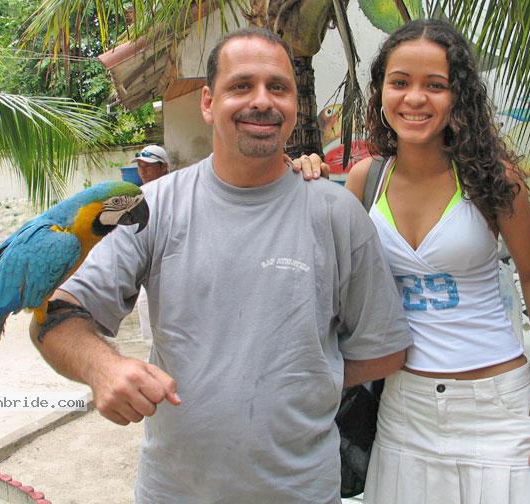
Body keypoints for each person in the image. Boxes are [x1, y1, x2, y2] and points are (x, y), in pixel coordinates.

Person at [30, 27, 413, 504]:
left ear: (295, 106)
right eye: (241, 85)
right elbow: (56, 316)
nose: (262, 100)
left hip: (302, 492)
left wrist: (303, 378)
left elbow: (383, 349)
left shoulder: (337, 214)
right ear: (208, 103)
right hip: (175, 493)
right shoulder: (151, 207)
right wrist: (103, 368)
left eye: (278, 87)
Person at [294, 19, 530, 503]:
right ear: (381, 92)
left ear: (457, 97)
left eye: (435, 85)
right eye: (400, 82)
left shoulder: (493, 180)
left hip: (497, 407)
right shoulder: (364, 180)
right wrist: (300, 179)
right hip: (404, 408)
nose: (415, 98)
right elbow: (327, 272)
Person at [130, 144, 171, 342]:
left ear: (163, 167)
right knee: (147, 308)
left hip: (171, 264)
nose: (143, 171)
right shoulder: (138, 196)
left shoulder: (176, 192)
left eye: (148, 166)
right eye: (140, 166)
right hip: (149, 266)